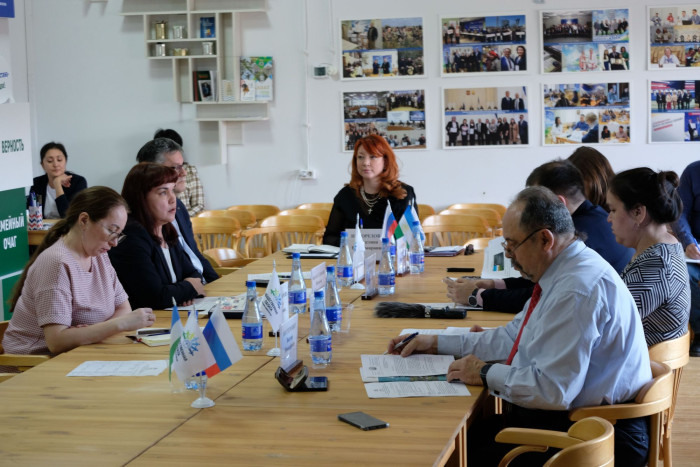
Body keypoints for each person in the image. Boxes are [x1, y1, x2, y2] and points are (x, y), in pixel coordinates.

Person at [397, 186, 651, 466]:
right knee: (464, 439)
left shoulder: (575, 290)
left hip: (593, 436)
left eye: (512, 245)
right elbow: (512, 337)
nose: (508, 256)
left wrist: (483, 372)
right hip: (576, 420)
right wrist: (435, 343)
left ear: (545, 239)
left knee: (453, 453)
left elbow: (553, 390)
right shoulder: (564, 271)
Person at [447, 159, 633, 313]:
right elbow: (542, 283)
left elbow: (540, 296)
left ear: (557, 203)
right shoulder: (592, 218)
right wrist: (493, 284)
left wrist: (477, 296)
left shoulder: (577, 235)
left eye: (534, 203)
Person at [3, 187, 155, 358]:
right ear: (84, 220)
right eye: (112, 231)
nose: (115, 243)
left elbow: (124, 308)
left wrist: (91, 331)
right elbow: (57, 341)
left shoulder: (99, 256)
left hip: (79, 355)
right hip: (33, 365)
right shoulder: (57, 263)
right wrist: (118, 325)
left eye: (118, 235)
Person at [607, 168, 690, 346]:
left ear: (638, 212)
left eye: (613, 210)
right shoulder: (669, 245)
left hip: (645, 362)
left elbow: (607, 325)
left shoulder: (657, 266)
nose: (608, 218)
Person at [108, 163, 206, 309]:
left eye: (172, 190)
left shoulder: (166, 230)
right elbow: (155, 298)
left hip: (170, 315)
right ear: (141, 198)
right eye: (163, 192)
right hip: (144, 320)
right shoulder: (131, 237)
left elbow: (193, 274)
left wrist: (182, 292)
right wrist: (188, 290)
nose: (173, 199)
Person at [135, 138, 218, 284]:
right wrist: (191, 288)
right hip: (179, 292)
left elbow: (194, 254)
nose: (184, 173)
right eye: (175, 168)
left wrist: (216, 283)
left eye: (183, 166)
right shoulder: (140, 221)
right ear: (151, 170)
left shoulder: (179, 207)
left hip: (197, 286)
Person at [323, 135, 416, 246]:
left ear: (385, 161)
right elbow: (329, 238)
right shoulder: (346, 195)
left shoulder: (403, 193)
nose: (365, 163)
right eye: (360, 157)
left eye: (373, 157)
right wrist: (351, 244)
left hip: (391, 256)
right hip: (353, 256)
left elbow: (409, 239)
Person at [671, 161, 700, 356]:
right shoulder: (693, 172)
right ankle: (699, 331)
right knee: (685, 275)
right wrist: (688, 242)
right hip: (694, 248)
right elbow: (679, 214)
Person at [154, 129, 205, 217]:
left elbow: (199, 205)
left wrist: (182, 219)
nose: (184, 173)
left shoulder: (189, 171)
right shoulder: (150, 176)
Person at [29, 142, 88, 219]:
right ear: (42, 165)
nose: (55, 164)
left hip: (68, 226)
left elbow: (69, 216)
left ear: (65, 161)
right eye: (50, 161)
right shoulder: (37, 183)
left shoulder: (78, 182)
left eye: (59, 160)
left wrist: (57, 184)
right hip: (43, 226)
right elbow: (32, 213)